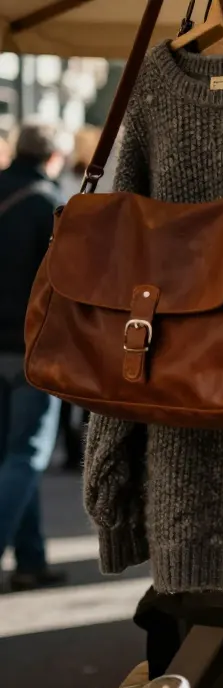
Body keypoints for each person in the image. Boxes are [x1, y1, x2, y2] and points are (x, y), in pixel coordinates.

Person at [0, 123, 70, 592]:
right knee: (26, 456)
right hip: (30, 349)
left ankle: (32, 560)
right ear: (53, 158)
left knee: (11, 457)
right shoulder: (48, 207)